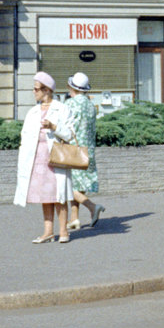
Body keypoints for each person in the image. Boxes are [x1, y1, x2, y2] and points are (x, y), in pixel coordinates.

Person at [13, 71, 75, 244]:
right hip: (37, 160)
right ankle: (48, 232)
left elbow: (71, 134)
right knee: (44, 196)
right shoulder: (33, 112)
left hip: (56, 158)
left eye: (36, 89)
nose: (34, 92)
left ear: (46, 90)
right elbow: (25, 137)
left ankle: (63, 231)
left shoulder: (62, 109)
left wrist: (54, 126)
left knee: (59, 195)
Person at [64, 72, 105, 230]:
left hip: (73, 149)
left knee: (66, 186)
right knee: (78, 185)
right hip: (88, 149)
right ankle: (74, 218)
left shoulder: (70, 103)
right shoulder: (90, 105)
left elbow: (64, 126)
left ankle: (92, 207)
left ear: (71, 87)